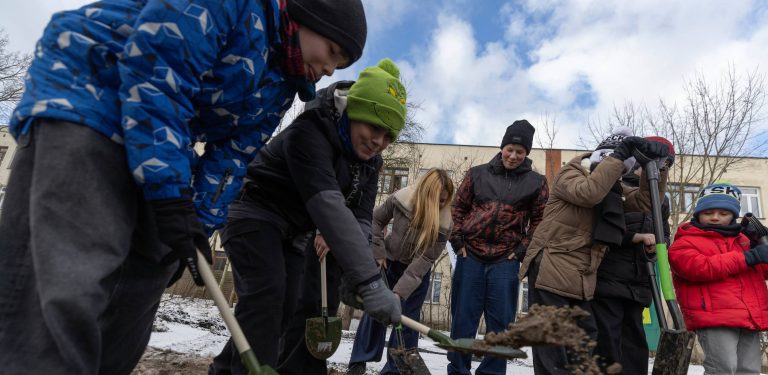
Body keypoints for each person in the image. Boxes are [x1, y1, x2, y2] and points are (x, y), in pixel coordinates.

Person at [0, 0, 368, 373]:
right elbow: (158, 74)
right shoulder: (233, 6)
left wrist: (196, 225)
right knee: (67, 284)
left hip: (161, 146)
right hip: (86, 102)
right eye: (331, 52)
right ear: (305, 17)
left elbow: (232, 156)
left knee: (144, 284)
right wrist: (171, 195)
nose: (328, 70)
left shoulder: (283, 84)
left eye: (339, 66)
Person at [209, 58, 406, 373]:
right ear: (355, 110)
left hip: (294, 232)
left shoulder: (371, 163)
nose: (378, 142)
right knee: (267, 296)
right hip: (254, 211)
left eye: (388, 136)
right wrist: (370, 282)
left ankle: (226, 370)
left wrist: (359, 274)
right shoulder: (311, 130)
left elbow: (360, 218)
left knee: (287, 307)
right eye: (374, 127)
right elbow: (328, 205)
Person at [518, 130, 669, 374]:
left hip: (583, 275)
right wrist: (620, 156)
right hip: (553, 266)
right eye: (614, 162)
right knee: (553, 344)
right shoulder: (572, 172)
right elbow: (588, 193)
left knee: (586, 340)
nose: (617, 170)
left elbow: (646, 204)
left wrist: (659, 168)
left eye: (622, 167)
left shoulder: (613, 189)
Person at [448, 120, 549, 375]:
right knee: (463, 321)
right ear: (502, 147)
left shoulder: (537, 182)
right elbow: (457, 208)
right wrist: (457, 241)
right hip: (470, 255)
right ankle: (458, 370)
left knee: (501, 324)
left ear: (526, 153)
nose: (513, 156)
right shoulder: (477, 174)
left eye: (520, 151)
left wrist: (522, 250)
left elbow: (541, 221)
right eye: (509, 149)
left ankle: (491, 372)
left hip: (506, 259)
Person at [346, 168, 455, 375]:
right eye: (436, 200)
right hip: (388, 263)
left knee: (407, 322)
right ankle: (359, 362)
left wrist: (398, 294)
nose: (440, 205)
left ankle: (395, 370)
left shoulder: (444, 224)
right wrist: (378, 252)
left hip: (416, 274)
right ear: (425, 194)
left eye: (444, 201)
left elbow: (425, 259)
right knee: (376, 311)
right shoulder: (401, 199)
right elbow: (376, 220)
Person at [592, 136, 675, 374]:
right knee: (607, 342)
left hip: (639, 282)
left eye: (665, 165)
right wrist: (635, 238)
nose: (655, 169)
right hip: (608, 279)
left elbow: (664, 234)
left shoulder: (662, 201)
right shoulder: (616, 188)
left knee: (635, 344)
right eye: (650, 164)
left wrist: (657, 245)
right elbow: (602, 230)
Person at [668, 182, 768, 374]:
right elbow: (698, 268)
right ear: (698, 214)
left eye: (723, 213)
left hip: (749, 316)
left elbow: (762, 271)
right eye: (708, 212)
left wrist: (759, 245)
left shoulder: (744, 241)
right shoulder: (685, 241)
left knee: (749, 370)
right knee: (722, 369)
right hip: (714, 317)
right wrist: (749, 257)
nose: (715, 217)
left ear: (733, 216)